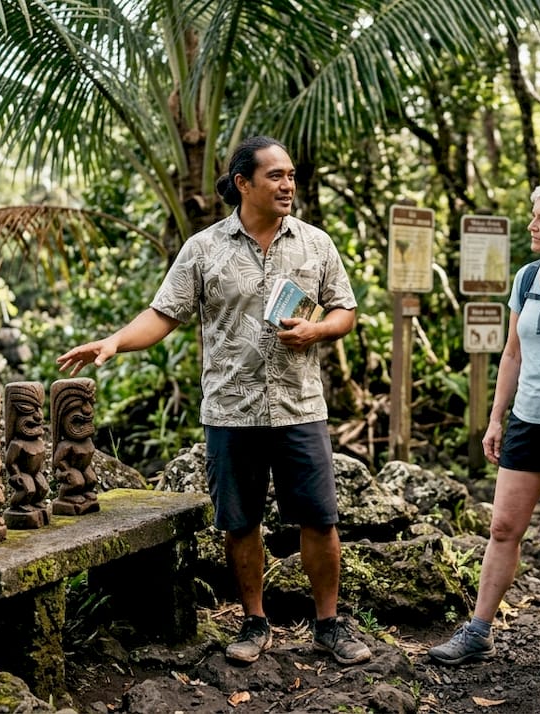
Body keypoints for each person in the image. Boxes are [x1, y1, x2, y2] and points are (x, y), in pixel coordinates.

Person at [57, 136, 370, 667]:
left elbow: (346, 311)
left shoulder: (317, 244)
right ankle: (253, 622)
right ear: (243, 183)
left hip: (300, 407)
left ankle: (329, 625)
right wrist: (114, 341)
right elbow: (164, 314)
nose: (288, 184)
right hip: (231, 409)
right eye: (275, 175)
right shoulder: (204, 248)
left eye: (291, 175)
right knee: (240, 522)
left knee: (319, 520)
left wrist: (315, 331)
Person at [428, 178, 540, 665]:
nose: (532, 225)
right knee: (503, 527)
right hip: (528, 420)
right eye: (533, 215)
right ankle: (479, 630)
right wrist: (496, 418)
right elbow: (513, 355)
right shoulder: (525, 278)